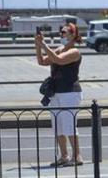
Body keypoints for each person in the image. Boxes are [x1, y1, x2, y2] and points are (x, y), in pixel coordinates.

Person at [35, 22, 84, 167]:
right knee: (58, 125)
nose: (61, 35)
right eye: (61, 32)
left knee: (69, 124)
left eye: (64, 32)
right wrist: (38, 45)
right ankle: (64, 155)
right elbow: (42, 61)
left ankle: (77, 156)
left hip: (70, 92)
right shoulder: (60, 49)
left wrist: (44, 45)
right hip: (56, 91)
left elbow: (59, 60)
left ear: (73, 34)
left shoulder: (75, 52)